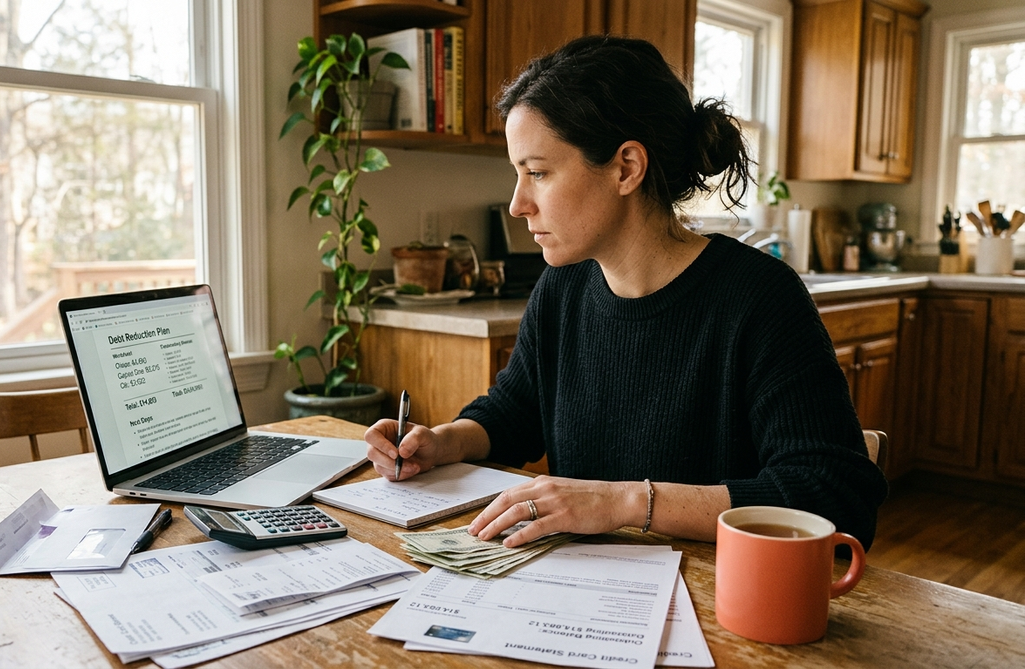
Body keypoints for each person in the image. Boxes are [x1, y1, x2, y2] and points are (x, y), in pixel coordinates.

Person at [364, 35, 887, 550]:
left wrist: (624, 502)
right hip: (588, 595)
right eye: (517, 174)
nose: (519, 203)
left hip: (721, 603)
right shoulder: (563, 287)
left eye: (538, 173)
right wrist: (442, 442)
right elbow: (516, 411)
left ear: (626, 168)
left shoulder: (760, 299)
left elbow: (832, 496)